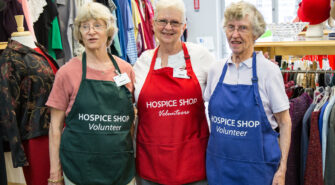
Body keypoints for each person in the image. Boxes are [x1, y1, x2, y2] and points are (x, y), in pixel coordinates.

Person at [46, 2, 135, 185]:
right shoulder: (67, 72)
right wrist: (55, 173)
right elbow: (55, 127)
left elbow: (131, 119)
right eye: (84, 26)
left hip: (120, 167)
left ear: (109, 31)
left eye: (97, 25)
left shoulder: (126, 70)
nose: (90, 31)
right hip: (79, 167)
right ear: (79, 33)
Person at [204, 1, 292, 185]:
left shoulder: (268, 71)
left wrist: (282, 169)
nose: (235, 35)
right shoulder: (215, 70)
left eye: (243, 28)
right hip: (219, 169)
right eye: (231, 27)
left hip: (258, 171)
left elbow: (285, 123)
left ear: (255, 34)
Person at [133, 0, 215, 184]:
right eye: (162, 21)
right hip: (152, 162)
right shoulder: (142, 62)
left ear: (184, 26)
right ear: (153, 24)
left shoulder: (200, 56)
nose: (168, 27)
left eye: (175, 22)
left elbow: (224, 88)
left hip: (193, 162)